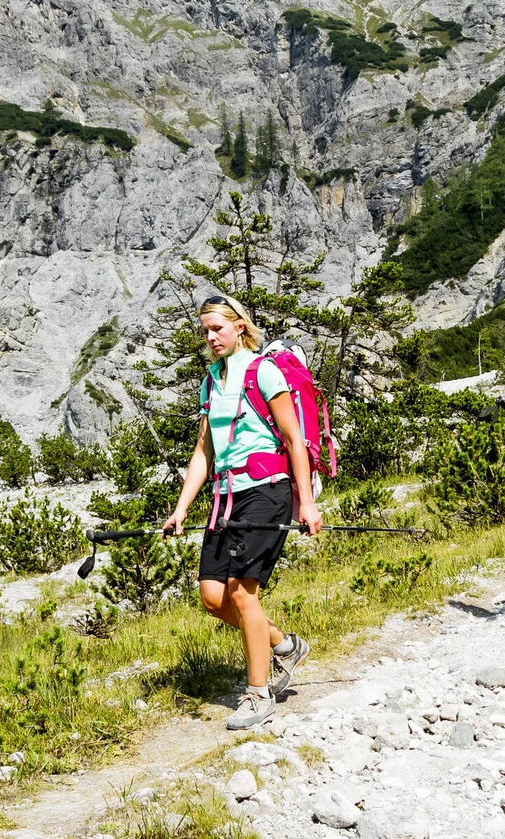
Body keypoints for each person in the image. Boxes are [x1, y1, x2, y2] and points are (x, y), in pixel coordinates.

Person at [164, 294, 323, 730]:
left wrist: (307, 503)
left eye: (217, 328)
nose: (211, 337)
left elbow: (293, 440)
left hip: (267, 491)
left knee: (241, 593)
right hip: (226, 495)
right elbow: (203, 451)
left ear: (239, 326)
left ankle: (258, 693)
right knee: (212, 597)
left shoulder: (263, 371)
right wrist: (181, 509)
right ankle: (285, 646)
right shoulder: (211, 380)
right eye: (206, 331)